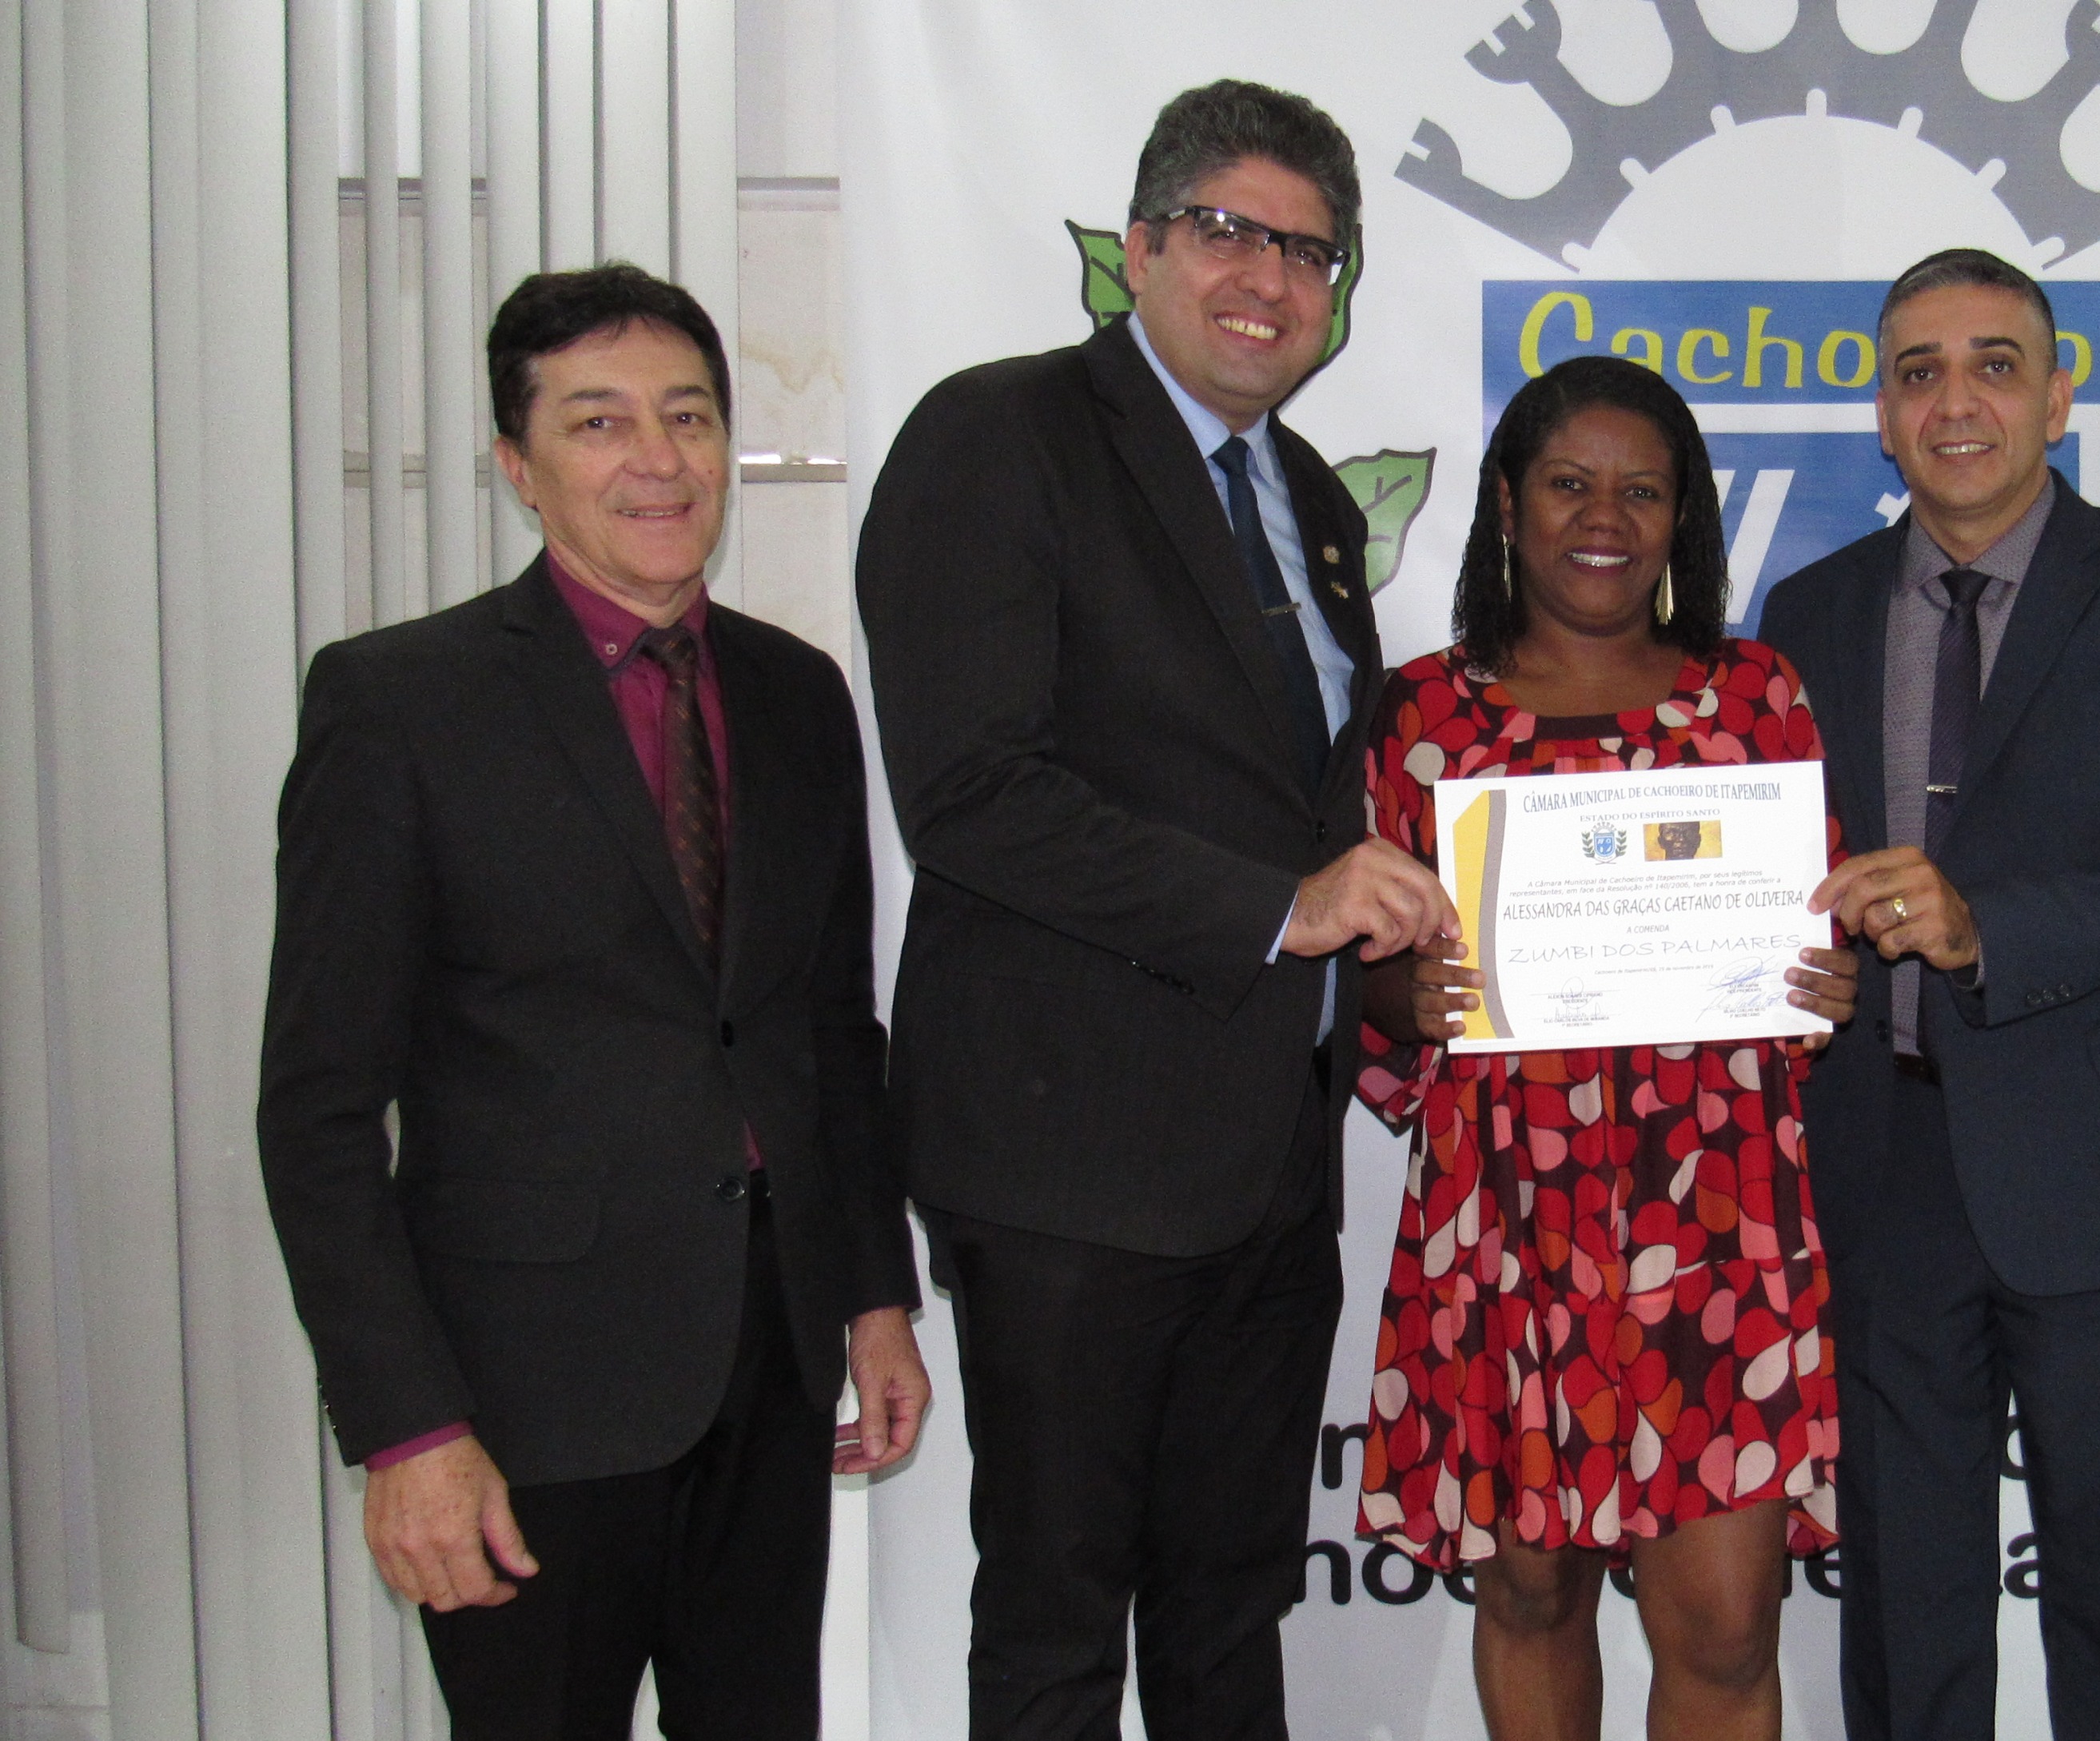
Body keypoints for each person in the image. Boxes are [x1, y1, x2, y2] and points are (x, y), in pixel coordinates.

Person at [855, 82, 1452, 1739]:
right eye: (1225, 231)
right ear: (1138, 247)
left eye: (1309, 252)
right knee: (1056, 1631)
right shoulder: (1001, 436)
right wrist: (1286, 907)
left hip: (1267, 1170)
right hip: (1070, 1166)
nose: (1268, 278)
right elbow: (970, 795)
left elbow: (1307, 800)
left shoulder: (1309, 500)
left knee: (1229, 1614)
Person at [256, 262, 928, 1737]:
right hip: (522, 1398)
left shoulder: (800, 692)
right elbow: (315, 1112)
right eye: (599, 421)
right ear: (519, 464)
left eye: (687, 416)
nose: (657, 459)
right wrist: (407, 1427)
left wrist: (875, 1295)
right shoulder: (398, 704)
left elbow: (827, 1032)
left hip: (769, 1363)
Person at [1758, 249, 2100, 1740]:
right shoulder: (1811, 609)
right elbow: (1787, 865)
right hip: (1883, 1163)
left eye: (1994, 363)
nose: (1955, 400)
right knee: (1908, 1618)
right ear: (1883, 413)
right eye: (1918, 371)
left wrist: (1986, 930)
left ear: (2057, 396)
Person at [1352, 356, 1861, 1741]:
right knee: (1529, 1596)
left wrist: (1826, 983)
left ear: (1682, 515)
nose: (1604, 518)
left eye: (1642, 491)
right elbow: (1367, 983)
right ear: (1507, 502)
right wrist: (1409, 995)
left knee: (1727, 1623)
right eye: (1570, 483)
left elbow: (1813, 948)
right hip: (1507, 1216)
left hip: (1716, 1217)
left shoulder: (1758, 696)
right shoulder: (1421, 715)